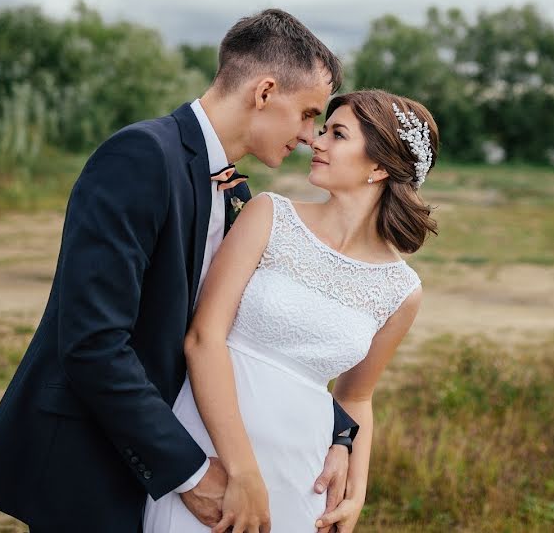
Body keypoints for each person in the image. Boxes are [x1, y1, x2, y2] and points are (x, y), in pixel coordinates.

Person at [0, 8, 359, 532]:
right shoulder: (142, 156)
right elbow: (92, 343)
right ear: (264, 92)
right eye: (309, 113)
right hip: (93, 457)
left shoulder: (238, 195)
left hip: (163, 451)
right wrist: (191, 474)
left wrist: (339, 433)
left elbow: (244, 338)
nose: (311, 135)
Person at [143, 89, 439, 532]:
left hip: (304, 470)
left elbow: (355, 397)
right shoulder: (268, 216)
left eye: (337, 134)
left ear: (378, 166)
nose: (315, 142)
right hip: (213, 447)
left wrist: (356, 493)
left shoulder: (400, 290)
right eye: (322, 130)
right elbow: (203, 338)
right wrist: (242, 472)